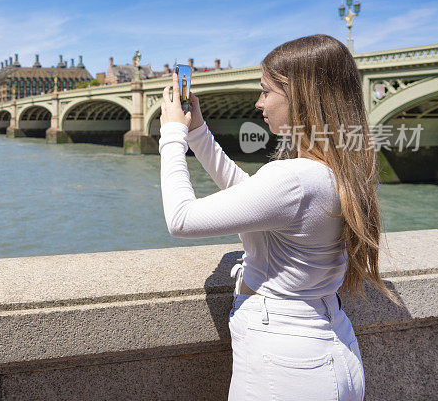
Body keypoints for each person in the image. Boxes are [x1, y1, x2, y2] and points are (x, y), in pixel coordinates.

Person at [158, 34, 396, 401]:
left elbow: (181, 219)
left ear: (301, 97)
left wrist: (171, 132)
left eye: (267, 91)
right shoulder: (338, 168)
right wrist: (199, 133)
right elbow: (252, 197)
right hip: (333, 347)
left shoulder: (294, 178)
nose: (258, 102)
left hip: (285, 366)